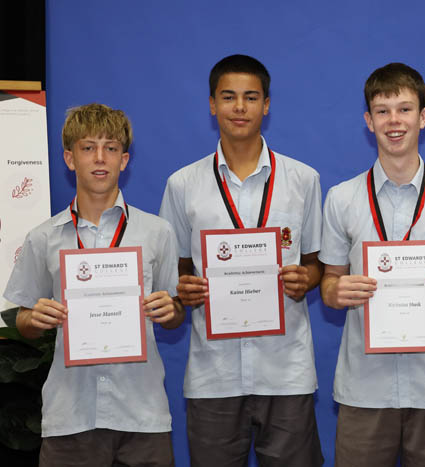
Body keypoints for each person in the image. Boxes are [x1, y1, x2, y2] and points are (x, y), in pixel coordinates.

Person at [159, 54, 324, 467]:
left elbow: (317, 262)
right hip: (214, 374)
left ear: (266, 105)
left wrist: (307, 279)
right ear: (212, 104)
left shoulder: (303, 180)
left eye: (251, 97)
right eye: (228, 96)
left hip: (285, 371)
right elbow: (174, 268)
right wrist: (183, 288)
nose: (239, 107)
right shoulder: (182, 185)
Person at [319, 62, 425, 467]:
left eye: (405, 109)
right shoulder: (341, 198)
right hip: (364, 388)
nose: (394, 121)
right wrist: (335, 292)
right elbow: (328, 284)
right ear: (368, 120)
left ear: (423, 117)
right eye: (382, 110)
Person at [4, 103, 184, 467]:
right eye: (88, 147)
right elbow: (22, 319)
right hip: (70, 417)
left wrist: (172, 310)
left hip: (142, 416)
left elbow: (176, 313)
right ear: (70, 159)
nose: (100, 158)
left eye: (111, 148)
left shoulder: (158, 233)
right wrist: (34, 319)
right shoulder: (43, 238)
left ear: (124, 159)